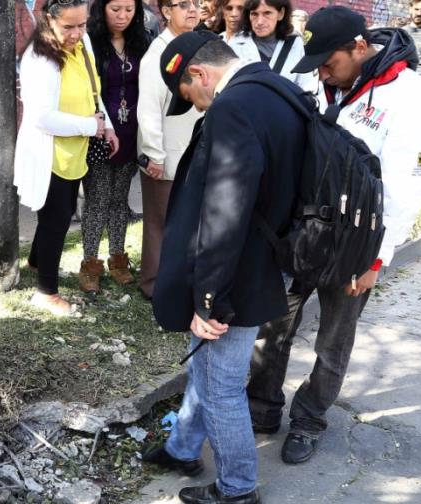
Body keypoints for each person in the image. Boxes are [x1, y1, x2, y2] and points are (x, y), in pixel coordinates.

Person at [248, 6, 421, 465]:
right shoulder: (321, 79)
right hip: (302, 230)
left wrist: (376, 259)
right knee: (273, 324)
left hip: (356, 242)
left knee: (334, 338)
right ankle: (261, 408)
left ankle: (309, 418)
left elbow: (403, 187)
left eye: (330, 62)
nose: (323, 73)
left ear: (359, 47)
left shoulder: (410, 96)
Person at [143, 31, 307, 504]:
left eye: (189, 96)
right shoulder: (279, 90)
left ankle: (237, 489)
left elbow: (225, 212)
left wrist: (209, 298)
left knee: (221, 385)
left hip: (238, 273)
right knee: (207, 366)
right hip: (267, 259)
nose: (195, 106)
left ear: (199, 73)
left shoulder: (232, 108)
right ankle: (182, 448)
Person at [14, 0, 119, 316]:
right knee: (56, 218)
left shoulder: (82, 42)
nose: (77, 33)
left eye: (82, 24)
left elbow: (93, 92)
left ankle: (36, 261)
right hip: (50, 151)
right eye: (68, 27)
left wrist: (108, 126)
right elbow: (41, 117)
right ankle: (46, 292)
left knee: (60, 211)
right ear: (49, 20)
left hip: (76, 147)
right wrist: (92, 127)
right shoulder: (39, 60)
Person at [78, 0, 149, 293]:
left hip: (131, 132)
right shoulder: (90, 42)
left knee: (120, 200)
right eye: (115, 9)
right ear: (102, 9)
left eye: (129, 10)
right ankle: (89, 264)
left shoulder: (142, 43)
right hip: (99, 132)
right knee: (97, 199)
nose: (122, 16)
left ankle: (118, 260)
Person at [135, 0, 201, 300]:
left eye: (196, 3)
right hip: (165, 156)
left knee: (183, 224)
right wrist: (154, 156)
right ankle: (152, 284)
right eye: (182, 4)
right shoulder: (158, 54)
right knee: (159, 224)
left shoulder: (196, 46)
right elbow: (148, 110)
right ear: (165, 11)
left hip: (191, 151)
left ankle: (175, 283)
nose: (192, 9)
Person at [234, 0, 316, 90]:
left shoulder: (296, 44)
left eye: (267, 13)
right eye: (254, 14)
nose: (259, 22)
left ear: (281, 13)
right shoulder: (235, 44)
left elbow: (308, 89)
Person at [406, 0, 421, 78]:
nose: (419, 13)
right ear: (410, 9)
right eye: (416, 9)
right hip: (402, 83)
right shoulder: (401, 33)